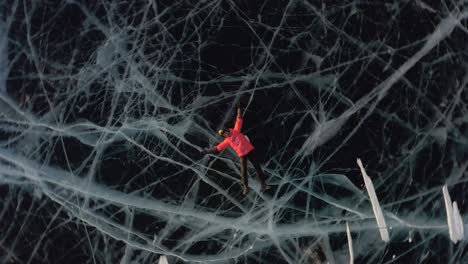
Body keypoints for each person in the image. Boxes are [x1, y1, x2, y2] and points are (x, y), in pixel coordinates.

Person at [201, 106, 271, 195]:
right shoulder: (227, 140)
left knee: (257, 167)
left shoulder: (236, 131)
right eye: (224, 134)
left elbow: (239, 118)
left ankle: (263, 184)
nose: (226, 134)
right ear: (223, 136)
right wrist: (207, 151)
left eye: (225, 132)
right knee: (243, 171)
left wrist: (239, 108)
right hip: (242, 154)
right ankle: (246, 187)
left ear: (227, 130)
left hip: (249, 150)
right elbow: (217, 148)